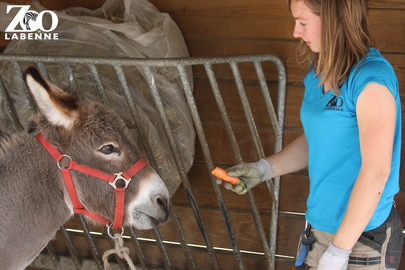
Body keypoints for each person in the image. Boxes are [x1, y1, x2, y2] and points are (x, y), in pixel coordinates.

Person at [217, 0, 403, 269]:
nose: (295, 32)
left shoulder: (370, 79)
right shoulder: (318, 72)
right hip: (318, 229)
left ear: (334, 20)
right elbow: (317, 140)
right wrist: (264, 169)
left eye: (303, 23)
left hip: (363, 240)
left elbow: (377, 171)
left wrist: (339, 252)